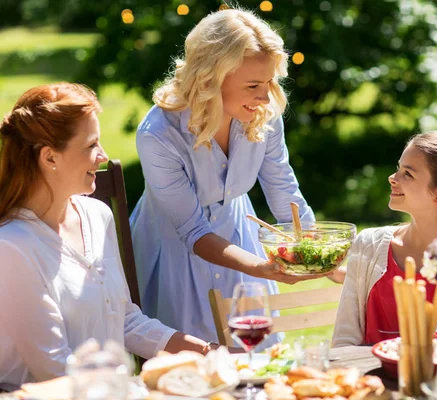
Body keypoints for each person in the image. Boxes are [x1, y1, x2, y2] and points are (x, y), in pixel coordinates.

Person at [0, 83, 220, 392]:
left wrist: (208, 352)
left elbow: (125, 321)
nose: (103, 156)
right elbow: (53, 370)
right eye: (91, 145)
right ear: (49, 158)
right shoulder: (9, 248)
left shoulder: (97, 216)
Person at [129, 7, 315, 346]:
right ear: (210, 79)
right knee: (192, 372)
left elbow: (282, 187)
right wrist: (260, 267)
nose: (264, 96)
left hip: (237, 235)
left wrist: (314, 250)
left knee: (256, 359)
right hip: (171, 249)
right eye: (253, 85)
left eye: (270, 81)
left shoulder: (263, 114)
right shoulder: (158, 134)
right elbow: (194, 232)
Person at [332, 132, 437, 347]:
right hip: (367, 378)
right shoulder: (368, 245)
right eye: (399, 168)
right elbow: (343, 340)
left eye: (408, 174)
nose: (392, 178)